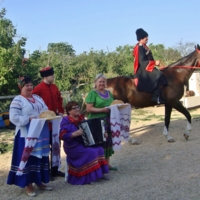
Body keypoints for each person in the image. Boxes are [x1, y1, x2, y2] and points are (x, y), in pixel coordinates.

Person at [7, 76, 53, 197]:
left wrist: (48, 117)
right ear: (20, 87)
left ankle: (40, 182)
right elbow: (13, 117)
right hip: (26, 135)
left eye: (31, 85)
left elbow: (45, 110)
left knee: (40, 157)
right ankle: (28, 185)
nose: (30, 87)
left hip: (40, 134)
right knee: (28, 158)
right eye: (26, 85)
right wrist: (28, 119)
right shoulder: (18, 100)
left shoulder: (37, 98)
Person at [60, 101, 109, 185]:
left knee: (100, 149)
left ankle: (100, 174)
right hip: (72, 146)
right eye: (74, 108)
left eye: (77, 107)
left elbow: (92, 130)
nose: (77, 109)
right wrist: (74, 134)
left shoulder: (81, 118)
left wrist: (103, 133)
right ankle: (89, 178)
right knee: (91, 152)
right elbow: (62, 136)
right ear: (69, 111)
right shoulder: (65, 121)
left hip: (84, 143)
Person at [33, 66, 65, 179]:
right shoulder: (38, 89)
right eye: (52, 75)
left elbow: (59, 99)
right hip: (45, 124)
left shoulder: (55, 87)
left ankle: (55, 169)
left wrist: (61, 111)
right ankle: (45, 171)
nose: (53, 77)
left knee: (56, 145)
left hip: (55, 122)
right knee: (45, 147)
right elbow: (33, 102)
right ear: (46, 76)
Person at [85, 73, 117, 171]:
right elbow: (89, 109)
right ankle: (99, 165)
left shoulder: (109, 93)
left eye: (103, 82)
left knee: (108, 141)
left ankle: (107, 163)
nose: (102, 83)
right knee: (100, 143)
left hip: (108, 120)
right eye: (100, 82)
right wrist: (102, 110)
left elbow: (112, 104)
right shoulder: (92, 94)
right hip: (97, 121)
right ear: (95, 82)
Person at [133, 28, 168, 104]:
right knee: (159, 75)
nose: (147, 38)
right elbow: (142, 61)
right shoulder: (139, 48)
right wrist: (155, 63)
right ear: (141, 38)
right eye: (146, 37)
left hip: (147, 67)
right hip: (143, 70)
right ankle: (155, 96)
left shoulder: (144, 47)